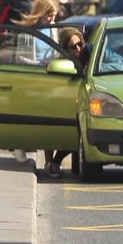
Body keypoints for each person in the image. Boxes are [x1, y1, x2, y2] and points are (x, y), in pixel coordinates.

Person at [43, 26, 91, 177]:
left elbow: (116, 62)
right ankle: (51, 163)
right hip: (69, 101)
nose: (78, 48)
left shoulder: (93, 54)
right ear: (66, 50)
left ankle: (55, 161)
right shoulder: (63, 63)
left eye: (80, 44)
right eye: (73, 46)